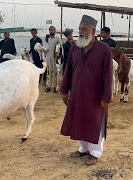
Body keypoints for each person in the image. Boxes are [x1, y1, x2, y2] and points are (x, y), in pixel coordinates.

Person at [60, 15, 113, 166]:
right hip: (77, 93)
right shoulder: (75, 48)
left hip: (96, 96)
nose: (81, 32)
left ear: (93, 30)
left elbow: (108, 75)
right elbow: (68, 71)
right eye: (79, 29)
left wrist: (106, 97)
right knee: (79, 120)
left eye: (84, 29)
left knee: (95, 123)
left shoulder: (104, 50)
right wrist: (64, 91)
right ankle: (83, 148)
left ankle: (95, 152)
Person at [45, 26, 61, 93]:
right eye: (50, 30)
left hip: (55, 58)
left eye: (52, 30)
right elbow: (49, 48)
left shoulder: (57, 38)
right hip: (49, 58)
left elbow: (60, 48)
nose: (51, 31)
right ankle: (49, 86)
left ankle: (54, 87)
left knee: (55, 72)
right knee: (49, 72)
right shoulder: (48, 39)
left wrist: (58, 57)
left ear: (55, 30)